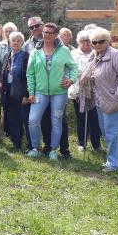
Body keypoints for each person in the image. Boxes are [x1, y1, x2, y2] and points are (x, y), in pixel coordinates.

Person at [79, 27, 118, 172]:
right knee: (105, 132)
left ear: (108, 41)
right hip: (100, 101)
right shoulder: (94, 56)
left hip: (115, 101)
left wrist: (117, 97)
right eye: (94, 42)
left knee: (113, 133)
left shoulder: (116, 55)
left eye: (101, 42)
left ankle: (114, 164)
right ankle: (111, 159)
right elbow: (89, 73)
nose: (97, 45)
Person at [26, 23, 78, 161]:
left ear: (56, 35)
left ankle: (54, 150)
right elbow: (30, 74)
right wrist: (31, 92)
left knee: (56, 120)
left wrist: (71, 80)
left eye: (50, 32)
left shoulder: (64, 51)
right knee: (32, 120)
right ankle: (35, 147)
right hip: (40, 92)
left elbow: (73, 68)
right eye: (45, 32)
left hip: (59, 93)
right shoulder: (35, 52)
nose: (47, 35)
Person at [70, 30, 102, 153]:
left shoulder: (97, 53)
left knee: (94, 117)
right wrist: (82, 75)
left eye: (88, 40)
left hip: (95, 90)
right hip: (78, 89)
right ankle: (81, 143)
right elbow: (70, 68)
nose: (86, 43)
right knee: (81, 117)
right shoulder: (73, 53)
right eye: (83, 40)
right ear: (78, 42)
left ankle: (96, 144)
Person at [0, 31, 31, 150]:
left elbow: (29, 77)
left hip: (21, 93)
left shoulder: (26, 56)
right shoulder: (7, 56)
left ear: (22, 42)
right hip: (8, 93)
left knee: (25, 120)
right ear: (9, 42)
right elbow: (3, 74)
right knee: (12, 119)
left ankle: (31, 145)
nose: (16, 42)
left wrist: (26, 95)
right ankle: (16, 143)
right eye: (13, 40)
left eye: (18, 40)